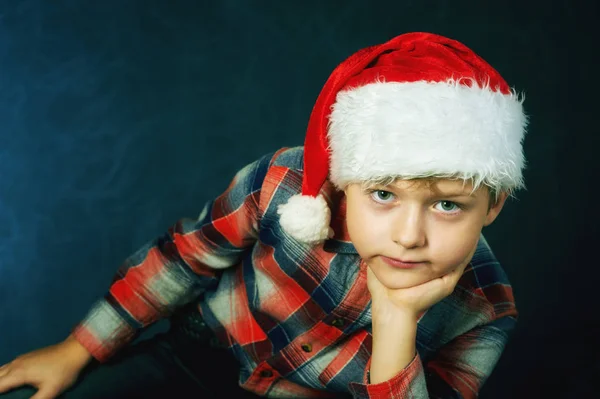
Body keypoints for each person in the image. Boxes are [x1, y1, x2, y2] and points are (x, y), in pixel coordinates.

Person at [0, 31, 527, 399]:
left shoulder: (485, 312)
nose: (409, 236)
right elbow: (184, 259)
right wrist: (76, 350)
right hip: (195, 355)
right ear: (345, 180)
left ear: (493, 206)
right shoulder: (282, 185)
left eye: (447, 205)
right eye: (384, 195)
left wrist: (396, 322)